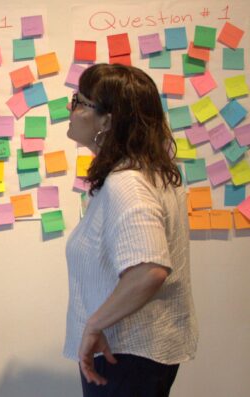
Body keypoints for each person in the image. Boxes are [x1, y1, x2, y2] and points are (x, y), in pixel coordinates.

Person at [63, 63, 198, 397]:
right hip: (138, 352)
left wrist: (94, 324)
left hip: (124, 351)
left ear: (107, 120)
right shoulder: (147, 172)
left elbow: (149, 271)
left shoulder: (127, 183)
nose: (71, 109)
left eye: (80, 102)